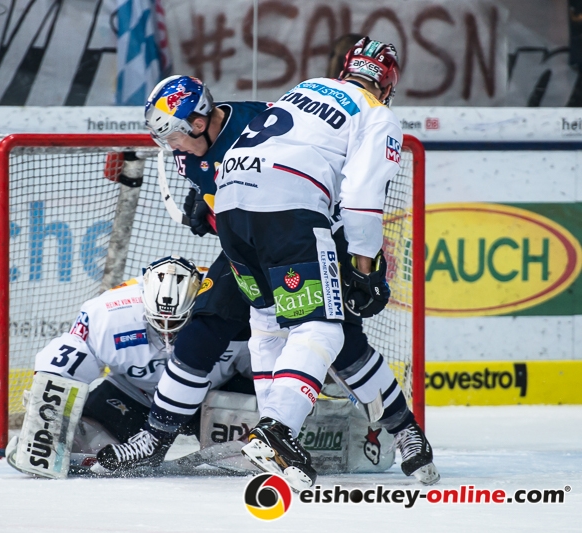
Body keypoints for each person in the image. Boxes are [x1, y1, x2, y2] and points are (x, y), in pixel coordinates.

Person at [212, 37, 438, 490]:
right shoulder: (377, 114)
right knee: (325, 329)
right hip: (290, 209)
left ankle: (272, 434)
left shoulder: (304, 88)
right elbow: (362, 197)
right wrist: (364, 267)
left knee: (268, 324)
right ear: (388, 85)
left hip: (232, 206)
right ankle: (276, 431)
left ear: (344, 69)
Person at [95, 77, 268, 471]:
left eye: (174, 136)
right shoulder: (187, 152)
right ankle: (155, 439)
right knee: (199, 333)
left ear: (199, 123)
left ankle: (401, 429)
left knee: (334, 340)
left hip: (298, 247)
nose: (172, 146)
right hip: (247, 250)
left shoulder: (263, 126)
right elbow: (223, 198)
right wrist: (206, 204)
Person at [22, 255, 252, 472]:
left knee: (246, 458)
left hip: (212, 398)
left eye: (177, 323)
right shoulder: (108, 313)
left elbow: (260, 371)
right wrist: (46, 396)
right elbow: (67, 361)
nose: (167, 333)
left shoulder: (223, 309)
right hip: (135, 394)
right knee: (84, 442)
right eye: (158, 321)